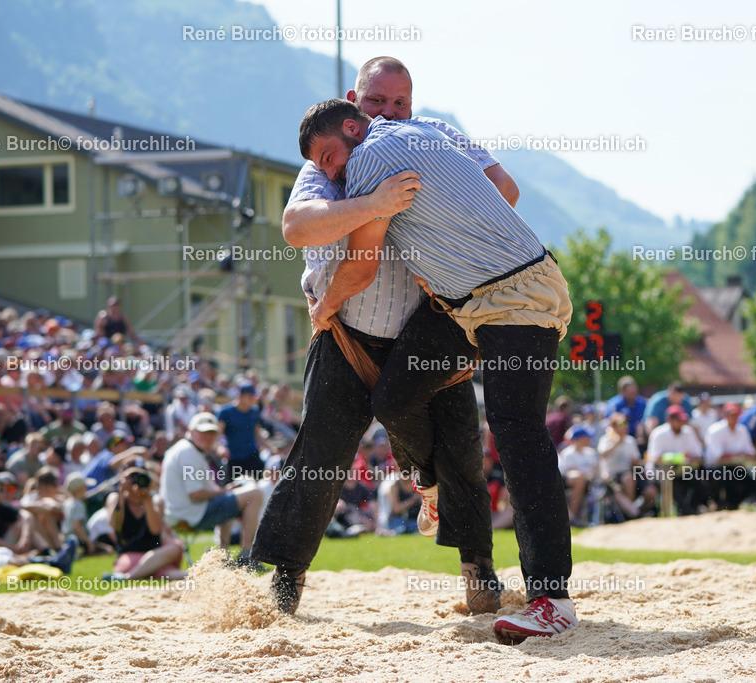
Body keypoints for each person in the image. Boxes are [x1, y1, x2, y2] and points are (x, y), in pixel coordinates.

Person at [299, 95, 577, 642]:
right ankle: (431, 488)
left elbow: (359, 264)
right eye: (323, 167)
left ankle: (552, 598)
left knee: (519, 437)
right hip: (490, 299)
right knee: (397, 399)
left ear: (354, 127)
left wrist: (322, 307)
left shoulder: (369, 162)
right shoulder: (426, 131)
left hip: (510, 300)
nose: (332, 173)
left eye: (330, 157)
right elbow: (503, 187)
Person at [253, 57, 505, 620]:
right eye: (376, 103)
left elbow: (503, 193)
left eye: (400, 104)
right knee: (319, 457)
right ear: (352, 106)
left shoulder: (432, 138)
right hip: (345, 334)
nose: (388, 114)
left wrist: (447, 209)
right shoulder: (329, 160)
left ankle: (479, 576)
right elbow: (296, 228)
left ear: (412, 107)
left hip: (426, 326)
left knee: (462, 449)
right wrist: (375, 204)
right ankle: (283, 582)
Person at [160, 412, 262, 564]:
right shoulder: (189, 452)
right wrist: (223, 491)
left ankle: (223, 556)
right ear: (191, 431)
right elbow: (195, 493)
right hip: (190, 514)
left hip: (183, 511)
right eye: (202, 432)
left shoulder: (185, 449)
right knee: (255, 494)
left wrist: (225, 491)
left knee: (230, 502)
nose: (207, 437)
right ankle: (246, 556)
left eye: (212, 433)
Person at [106, 467, 187, 580]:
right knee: (165, 570)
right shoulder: (115, 498)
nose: (136, 481)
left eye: (139, 477)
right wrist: (121, 493)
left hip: (155, 553)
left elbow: (155, 530)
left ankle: (129, 576)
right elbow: (115, 526)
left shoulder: (155, 500)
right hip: (130, 555)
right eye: (131, 477)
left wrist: (146, 498)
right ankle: (143, 572)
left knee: (176, 546)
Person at [646, 405, 704, 515]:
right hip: (660, 472)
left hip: (682, 471)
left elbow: (698, 454)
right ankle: (685, 511)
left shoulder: (688, 431)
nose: (681, 422)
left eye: (682, 420)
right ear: (669, 420)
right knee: (670, 482)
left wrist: (686, 457)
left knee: (701, 482)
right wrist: (680, 456)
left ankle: (691, 509)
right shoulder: (658, 433)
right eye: (678, 420)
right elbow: (655, 458)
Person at [217, 381, 275, 479]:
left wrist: (271, 447)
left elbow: (257, 433)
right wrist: (220, 448)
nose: (252, 400)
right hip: (234, 458)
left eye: (253, 397)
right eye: (249, 397)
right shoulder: (225, 412)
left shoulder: (254, 411)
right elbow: (218, 434)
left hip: (252, 456)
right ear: (240, 396)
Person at [703, 403, 756, 510]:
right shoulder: (715, 430)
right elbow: (719, 457)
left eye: (735, 415)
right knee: (725, 477)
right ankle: (720, 504)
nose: (733, 418)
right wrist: (740, 454)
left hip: (733, 467)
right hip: (714, 468)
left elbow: (751, 453)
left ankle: (732, 504)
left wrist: (737, 455)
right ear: (725, 416)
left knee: (754, 482)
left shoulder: (742, 430)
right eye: (730, 415)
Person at [558, 425, 598, 525]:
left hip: (591, 481)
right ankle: (572, 517)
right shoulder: (568, 453)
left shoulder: (591, 452)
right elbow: (568, 472)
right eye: (586, 437)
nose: (589, 439)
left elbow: (596, 470)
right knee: (579, 478)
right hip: (571, 482)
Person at [604, 376, 646, 440]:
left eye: (634, 392)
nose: (633, 396)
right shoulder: (615, 404)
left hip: (640, 437)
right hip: (620, 437)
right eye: (630, 393)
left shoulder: (642, 403)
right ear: (621, 392)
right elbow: (612, 423)